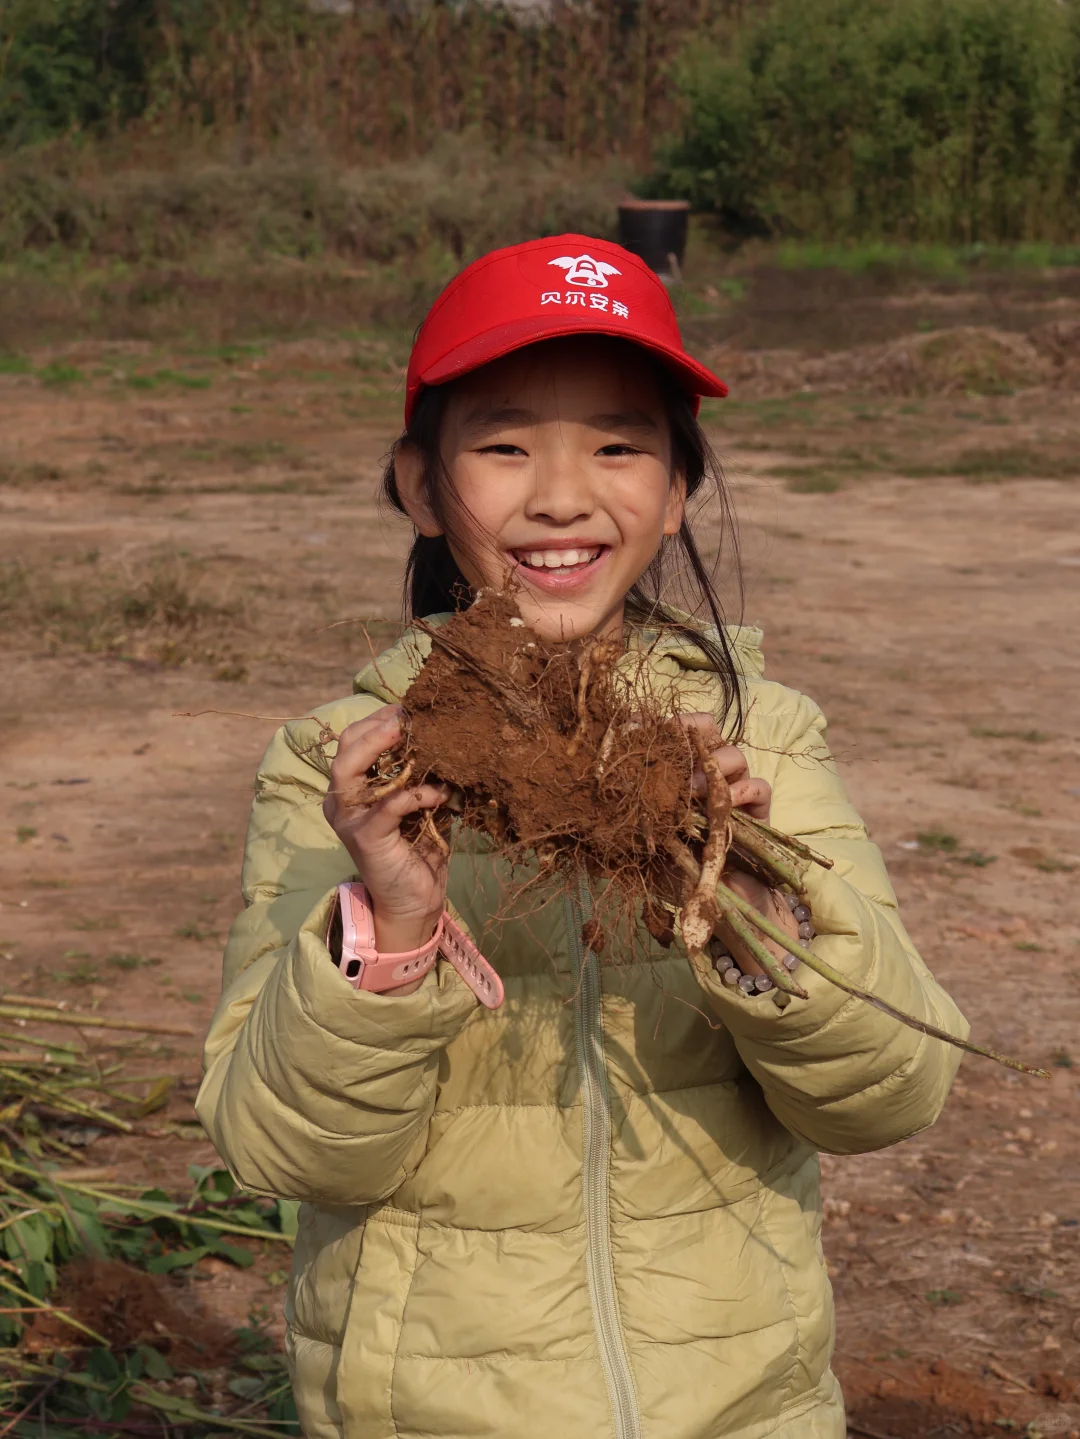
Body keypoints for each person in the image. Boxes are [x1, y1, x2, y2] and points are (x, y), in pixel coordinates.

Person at [197, 235, 967, 1439]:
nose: (561, 494)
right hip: (435, 1406)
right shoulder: (342, 768)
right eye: (504, 445)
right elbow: (280, 1145)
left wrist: (744, 897)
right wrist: (394, 923)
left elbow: (891, 1095)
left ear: (676, 489)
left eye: (618, 444)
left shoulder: (759, 736)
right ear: (416, 483)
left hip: (739, 1403)